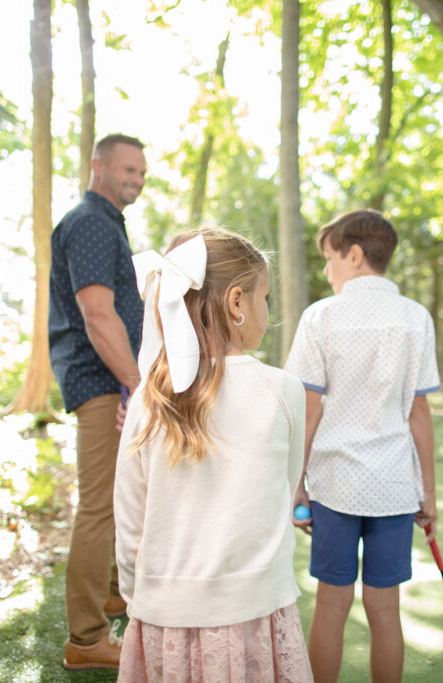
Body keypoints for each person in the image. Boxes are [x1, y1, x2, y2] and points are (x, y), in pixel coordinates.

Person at [114, 228, 313, 682]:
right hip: (257, 615)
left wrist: (139, 599)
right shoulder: (284, 391)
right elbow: (283, 488)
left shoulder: (149, 399)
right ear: (237, 303)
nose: (268, 310)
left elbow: (129, 522)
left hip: (163, 619)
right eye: (265, 297)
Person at [284, 209, 439, 683]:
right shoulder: (416, 318)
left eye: (330, 258)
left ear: (354, 255)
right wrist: (427, 493)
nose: (327, 270)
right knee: (385, 609)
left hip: (334, 483)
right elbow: (419, 415)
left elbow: (308, 411)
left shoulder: (320, 318)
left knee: (331, 603)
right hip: (394, 486)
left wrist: (296, 484)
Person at [47, 133, 147, 670]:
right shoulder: (89, 222)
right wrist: (134, 383)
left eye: (141, 173)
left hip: (112, 380)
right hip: (102, 381)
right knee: (97, 506)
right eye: (128, 169)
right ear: (98, 166)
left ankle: (112, 593)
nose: (136, 179)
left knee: (114, 498)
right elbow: (97, 314)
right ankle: (86, 641)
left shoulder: (107, 224)